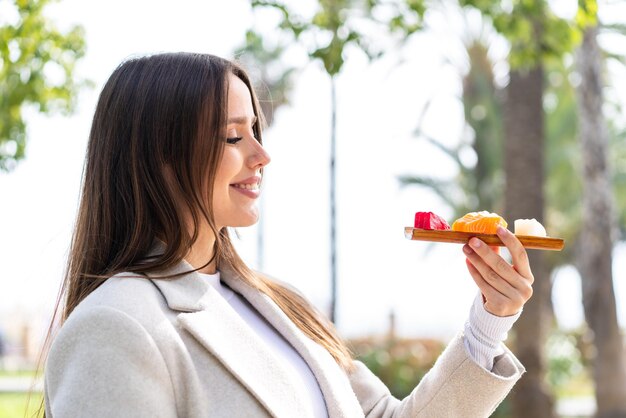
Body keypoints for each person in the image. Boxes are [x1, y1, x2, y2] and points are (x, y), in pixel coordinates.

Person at [44, 52, 532, 418]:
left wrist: (490, 319)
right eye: (234, 136)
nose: (262, 154)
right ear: (160, 156)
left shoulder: (280, 305)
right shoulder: (116, 326)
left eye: (256, 130)